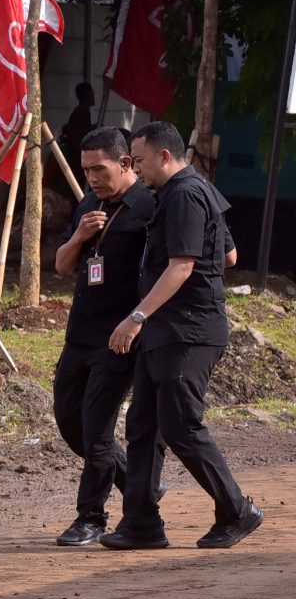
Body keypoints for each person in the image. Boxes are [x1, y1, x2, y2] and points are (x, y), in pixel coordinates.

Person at [102, 121, 261, 550]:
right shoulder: (189, 191)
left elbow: (182, 266)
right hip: (169, 329)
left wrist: (136, 316)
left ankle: (236, 510)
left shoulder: (186, 195)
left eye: (138, 160)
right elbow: (228, 255)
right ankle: (141, 524)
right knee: (143, 425)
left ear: (164, 157)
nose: (135, 167)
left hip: (189, 331)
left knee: (181, 427)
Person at [51, 127, 155, 546]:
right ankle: (137, 484)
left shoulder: (149, 206)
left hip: (119, 337)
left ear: (126, 163)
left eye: (99, 169)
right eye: (86, 170)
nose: (92, 177)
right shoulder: (89, 204)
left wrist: (139, 321)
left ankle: (91, 517)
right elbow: (60, 266)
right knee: (69, 421)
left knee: (96, 430)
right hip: (81, 333)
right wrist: (80, 236)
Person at [61, 82, 95, 188]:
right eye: (92, 93)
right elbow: (79, 137)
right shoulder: (80, 114)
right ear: (87, 95)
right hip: (78, 159)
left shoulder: (83, 113)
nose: (94, 96)